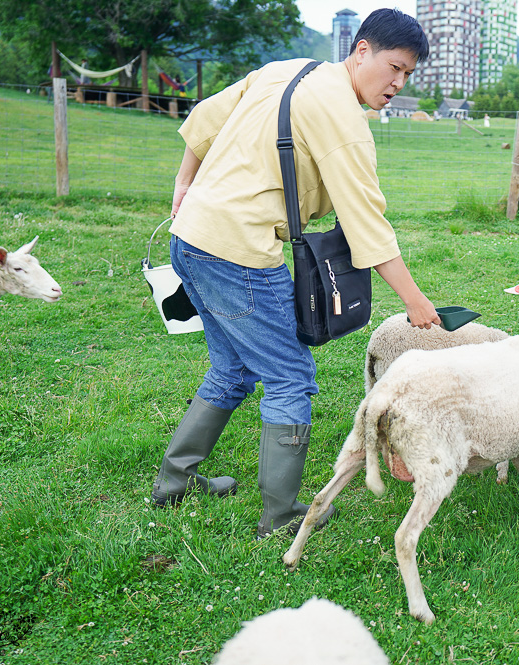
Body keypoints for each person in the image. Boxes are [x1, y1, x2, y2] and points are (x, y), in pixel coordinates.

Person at [151, 9, 441, 537]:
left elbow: (203, 122)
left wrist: (183, 185)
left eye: (408, 74)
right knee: (289, 376)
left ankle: (175, 481)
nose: (398, 83)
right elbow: (367, 226)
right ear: (361, 51)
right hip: (236, 253)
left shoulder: (287, 68)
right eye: (393, 67)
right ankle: (281, 516)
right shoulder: (343, 120)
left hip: (189, 239)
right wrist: (417, 304)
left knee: (234, 368)